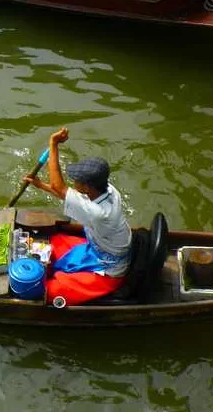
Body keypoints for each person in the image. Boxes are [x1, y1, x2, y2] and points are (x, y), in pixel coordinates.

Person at [24, 128, 132, 306]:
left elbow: (59, 187)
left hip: (109, 270)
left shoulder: (98, 213)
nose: (73, 183)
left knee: (47, 291)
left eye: (76, 181)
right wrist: (40, 185)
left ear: (88, 187)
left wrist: (53, 143)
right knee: (49, 243)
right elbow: (68, 194)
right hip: (99, 249)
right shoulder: (109, 190)